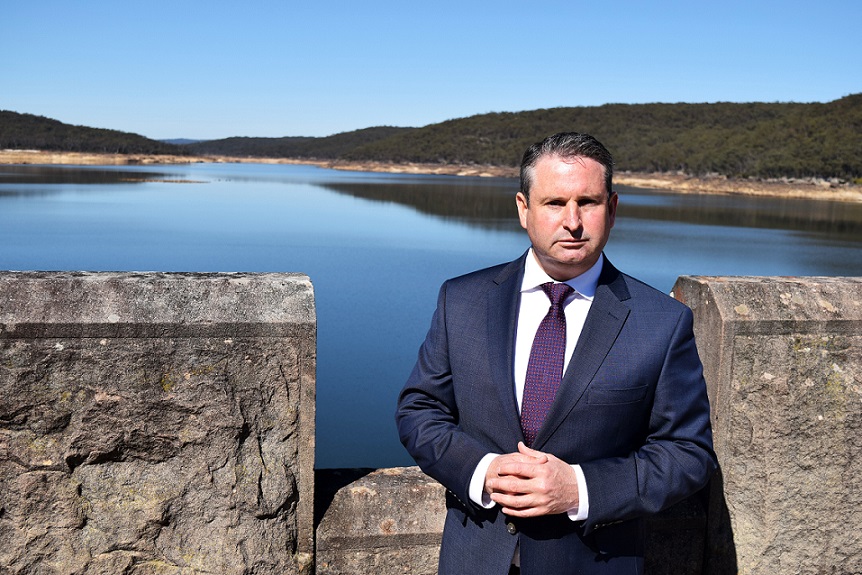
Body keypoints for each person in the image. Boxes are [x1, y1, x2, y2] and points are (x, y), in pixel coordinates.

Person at [395, 132, 717, 575]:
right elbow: (420, 410)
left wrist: (579, 489)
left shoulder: (662, 322)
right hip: (472, 560)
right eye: (553, 203)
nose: (573, 221)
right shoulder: (462, 300)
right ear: (523, 209)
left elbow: (688, 454)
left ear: (613, 208)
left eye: (588, 201)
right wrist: (483, 471)